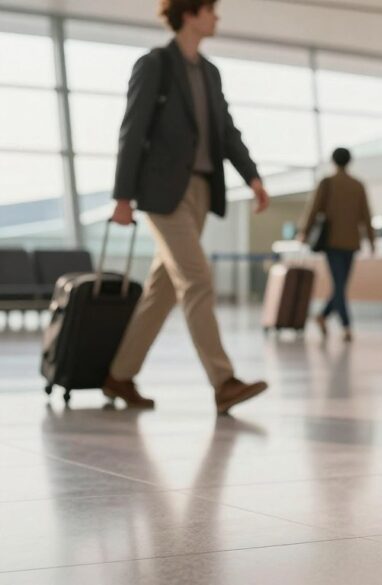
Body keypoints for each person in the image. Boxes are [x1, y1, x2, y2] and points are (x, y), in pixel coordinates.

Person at [104, 0, 270, 415]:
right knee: (197, 279)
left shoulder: (210, 73)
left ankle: (119, 376)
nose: (217, 17)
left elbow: (226, 132)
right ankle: (223, 381)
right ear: (191, 13)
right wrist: (122, 198)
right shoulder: (155, 64)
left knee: (162, 292)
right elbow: (133, 129)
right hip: (162, 195)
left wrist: (253, 177)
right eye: (211, 10)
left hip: (199, 192)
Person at [300, 147, 376, 342]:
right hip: (351, 242)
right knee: (341, 284)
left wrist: (304, 231)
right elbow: (366, 215)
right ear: (349, 161)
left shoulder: (326, 183)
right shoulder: (357, 185)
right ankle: (346, 326)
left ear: (333, 161)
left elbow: (313, 209)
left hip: (332, 241)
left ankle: (323, 316)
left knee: (340, 285)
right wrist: (372, 240)